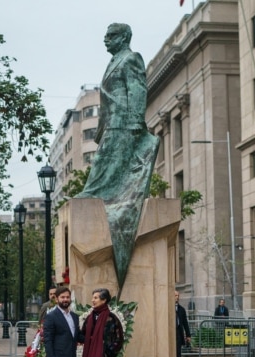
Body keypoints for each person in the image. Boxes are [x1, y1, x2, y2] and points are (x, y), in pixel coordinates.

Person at [76, 23, 159, 289]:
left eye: (110, 36)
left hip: (125, 124)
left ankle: (95, 194)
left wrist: (136, 121)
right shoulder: (114, 61)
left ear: (123, 37)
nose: (105, 39)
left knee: (103, 164)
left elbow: (137, 90)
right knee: (102, 162)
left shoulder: (131, 58)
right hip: (112, 124)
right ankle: (95, 194)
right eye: (106, 35)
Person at [174, 291, 191, 357]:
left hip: (178, 333)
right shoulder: (168, 308)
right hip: (170, 333)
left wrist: (188, 335)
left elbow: (185, 323)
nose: (177, 297)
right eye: (175, 295)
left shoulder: (181, 309)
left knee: (178, 353)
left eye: (178, 295)